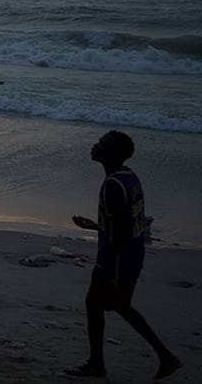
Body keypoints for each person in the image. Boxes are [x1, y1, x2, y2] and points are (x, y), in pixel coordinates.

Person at [64, 131, 181, 379]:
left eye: (102, 145)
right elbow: (126, 223)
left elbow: (120, 232)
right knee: (115, 305)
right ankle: (162, 356)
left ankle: (101, 364)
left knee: (103, 304)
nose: (95, 146)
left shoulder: (112, 186)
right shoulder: (130, 178)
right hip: (132, 257)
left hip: (117, 261)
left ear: (114, 153)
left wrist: (105, 265)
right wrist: (95, 226)